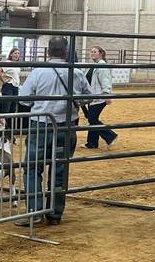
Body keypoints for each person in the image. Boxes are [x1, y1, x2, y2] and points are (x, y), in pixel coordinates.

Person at [15, 37, 94, 227]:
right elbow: (89, 97)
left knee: (33, 168)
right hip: (66, 127)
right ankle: (56, 213)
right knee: (59, 169)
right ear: (66, 52)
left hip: (40, 125)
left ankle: (35, 212)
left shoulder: (38, 72)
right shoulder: (76, 72)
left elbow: (24, 99)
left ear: (48, 51)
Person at [82, 46, 118, 149]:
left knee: (92, 119)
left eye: (95, 52)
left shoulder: (101, 66)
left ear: (100, 54)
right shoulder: (93, 66)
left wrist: (106, 93)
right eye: (91, 51)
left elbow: (105, 80)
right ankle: (92, 143)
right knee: (92, 119)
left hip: (99, 97)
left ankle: (111, 136)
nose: (92, 53)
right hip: (93, 97)